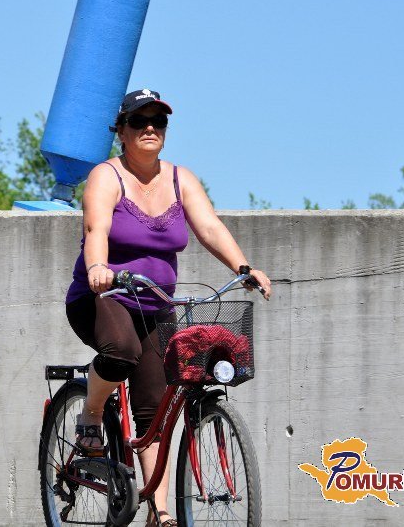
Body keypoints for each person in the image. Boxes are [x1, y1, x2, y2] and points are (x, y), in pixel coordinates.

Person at [64, 89, 271, 527]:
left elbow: (209, 226)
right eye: (139, 121)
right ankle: (92, 413)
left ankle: (159, 513)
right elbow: (96, 228)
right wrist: (98, 267)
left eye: (158, 121)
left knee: (154, 408)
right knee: (121, 352)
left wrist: (244, 267)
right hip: (103, 297)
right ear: (121, 131)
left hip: (156, 302)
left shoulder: (181, 179)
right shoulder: (106, 176)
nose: (150, 128)